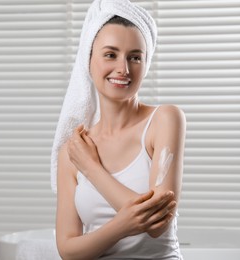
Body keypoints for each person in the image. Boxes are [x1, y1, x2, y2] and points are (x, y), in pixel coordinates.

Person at [51, 1, 185, 259]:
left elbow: (158, 225)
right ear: (88, 60)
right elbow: (68, 250)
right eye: (110, 54)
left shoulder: (164, 120)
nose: (123, 69)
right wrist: (121, 227)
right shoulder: (73, 150)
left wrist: (91, 168)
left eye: (135, 57)